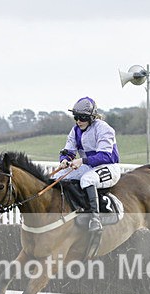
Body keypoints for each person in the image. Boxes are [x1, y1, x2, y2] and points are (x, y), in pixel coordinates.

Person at [53, 96, 120, 232]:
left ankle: (95, 219)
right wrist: (64, 160)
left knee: (87, 179)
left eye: (82, 118)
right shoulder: (75, 130)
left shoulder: (104, 129)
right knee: (58, 176)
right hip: (89, 166)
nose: (78, 121)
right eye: (76, 117)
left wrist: (82, 160)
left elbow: (105, 156)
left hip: (109, 166)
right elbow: (68, 151)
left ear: (91, 117)